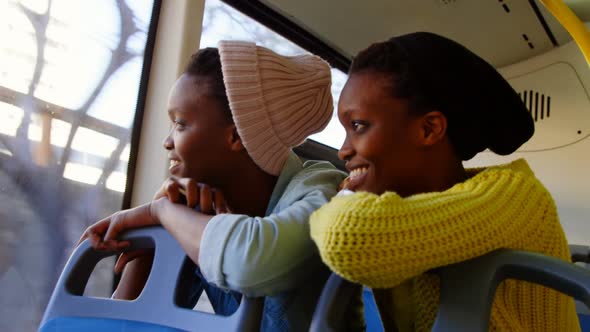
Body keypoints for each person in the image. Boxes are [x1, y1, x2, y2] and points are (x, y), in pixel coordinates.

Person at [310, 32, 580, 331]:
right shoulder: (405, 213)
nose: (343, 150)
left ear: (429, 129)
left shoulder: (517, 195)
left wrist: (339, 200)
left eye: (358, 125)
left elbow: (346, 239)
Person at [78, 41, 347, 331]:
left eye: (180, 124)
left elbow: (250, 263)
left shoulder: (322, 188)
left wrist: (160, 213)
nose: (167, 142)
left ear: (236, 137)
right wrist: (153, 241)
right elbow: (128, 326)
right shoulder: (197, 211)